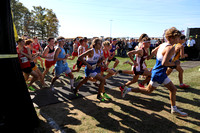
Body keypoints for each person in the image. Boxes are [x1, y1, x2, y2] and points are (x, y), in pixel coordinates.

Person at [120, 27, 188, 117]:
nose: (179, 39)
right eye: (178, 38)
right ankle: (174, 109)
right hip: (160, 73)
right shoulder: (170, 48)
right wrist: (175, 63)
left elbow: (153, 51)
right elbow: (165, 63)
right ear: (171, 38)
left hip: (158, 71)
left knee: (150, 90)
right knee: (170, 89)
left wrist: (151, 56)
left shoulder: (163, 44)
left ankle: (128, 89)